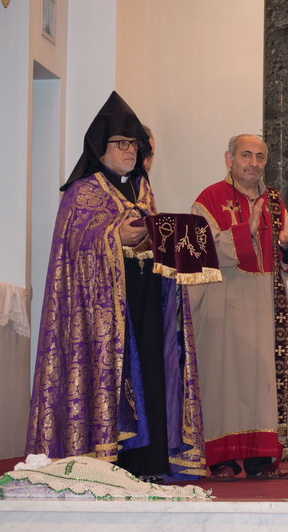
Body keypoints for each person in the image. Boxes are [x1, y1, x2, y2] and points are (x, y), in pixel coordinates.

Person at [26, 92, 206, 482]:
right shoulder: (82, 193)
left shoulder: (143, 189)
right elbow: (72, 253)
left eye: (135, 144)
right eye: (122, 143)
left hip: (144, 305)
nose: (130, 150)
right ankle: (109, 460)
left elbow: (150, 239)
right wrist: (113, 237)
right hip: (102, 316)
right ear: (101, 148)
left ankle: (150, 463)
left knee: (152, 377)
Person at [189, 134, 288, 481]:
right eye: (246, 155)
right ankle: (220, 459)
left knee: (262, 382)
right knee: (221, 381)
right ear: (229, 158)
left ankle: (261, 460)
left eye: (260, 157)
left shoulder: (274, 200)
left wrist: (286, 243)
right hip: (225, 302)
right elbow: (197, 250)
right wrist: (244, 231)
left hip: (267, 303)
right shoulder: (209, 198)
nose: (253, 163)